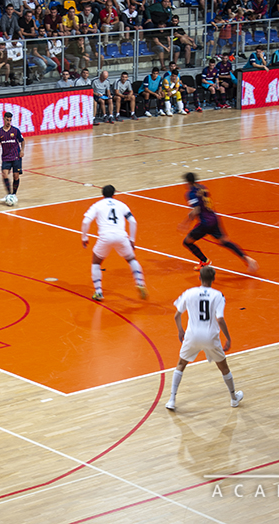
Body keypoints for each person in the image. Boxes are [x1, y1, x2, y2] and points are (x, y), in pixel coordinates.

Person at [165, 266, 244, 411]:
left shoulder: (189, 292)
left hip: (192, 335)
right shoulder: (218, 295)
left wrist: (180, 330)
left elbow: (177, 315)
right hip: (210, 337)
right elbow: (220, 319)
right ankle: (234, 399)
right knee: (223, 367)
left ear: (199, 278)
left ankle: (171, 400)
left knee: (181, 364)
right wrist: (228, 338)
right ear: (214, 279)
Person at [180, 172, 258, 272]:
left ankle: (204, 261)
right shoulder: (202, 187)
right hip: (214, 219)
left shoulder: (191, 193)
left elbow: (196, 210)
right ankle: (246, 258)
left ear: (187, 182)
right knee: (225, 242)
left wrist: (185, 223)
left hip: (205, 223)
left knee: (187, 242)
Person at [80, 184, 147, 301]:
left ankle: (98, 292)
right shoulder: (121, 205)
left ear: (102, 194)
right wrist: (132, 240)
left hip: (105, 237)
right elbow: (133, 222)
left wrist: (84, 237)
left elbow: (86, 221)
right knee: (131, 259)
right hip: (121, 236)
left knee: (96, 262)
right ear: (114, 193)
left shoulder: (97, 205)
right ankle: (140, 283)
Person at [0, 110, 24, 202]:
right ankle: (9, 194)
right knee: (4, 174)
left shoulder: (15, 130)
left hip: (16, 156)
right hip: (6, 157)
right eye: (7, 120)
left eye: (10, 120)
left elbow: (22, 141)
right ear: (4, 119)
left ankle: (13, 194)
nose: (9, 122)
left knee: (16, 176)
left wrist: (22, 150)